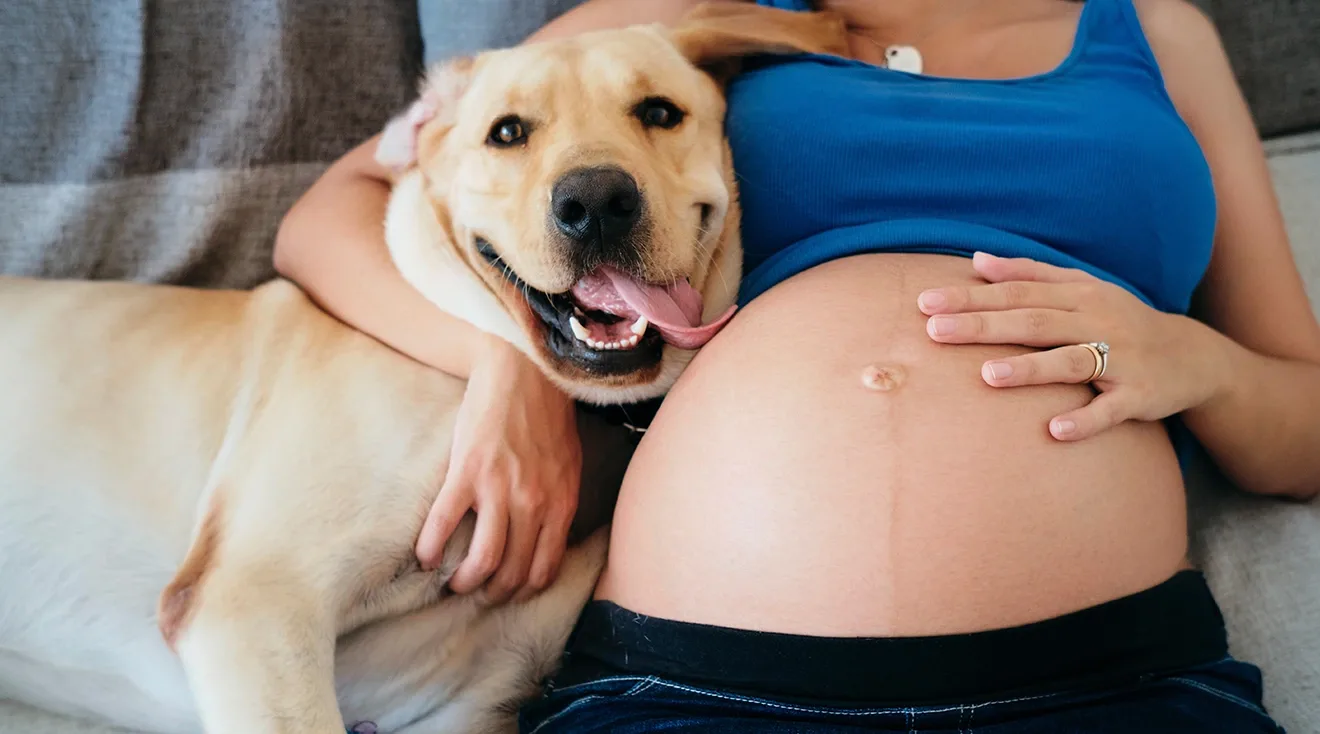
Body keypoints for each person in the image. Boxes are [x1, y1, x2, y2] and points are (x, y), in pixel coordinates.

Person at [275, 0, 1320, 730]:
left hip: (1105, 677)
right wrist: (505, 360)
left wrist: (1195, 359)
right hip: (695, 686)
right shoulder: (694, 18)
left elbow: (1304, 425)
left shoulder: (1159, 35)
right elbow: (336, 211)